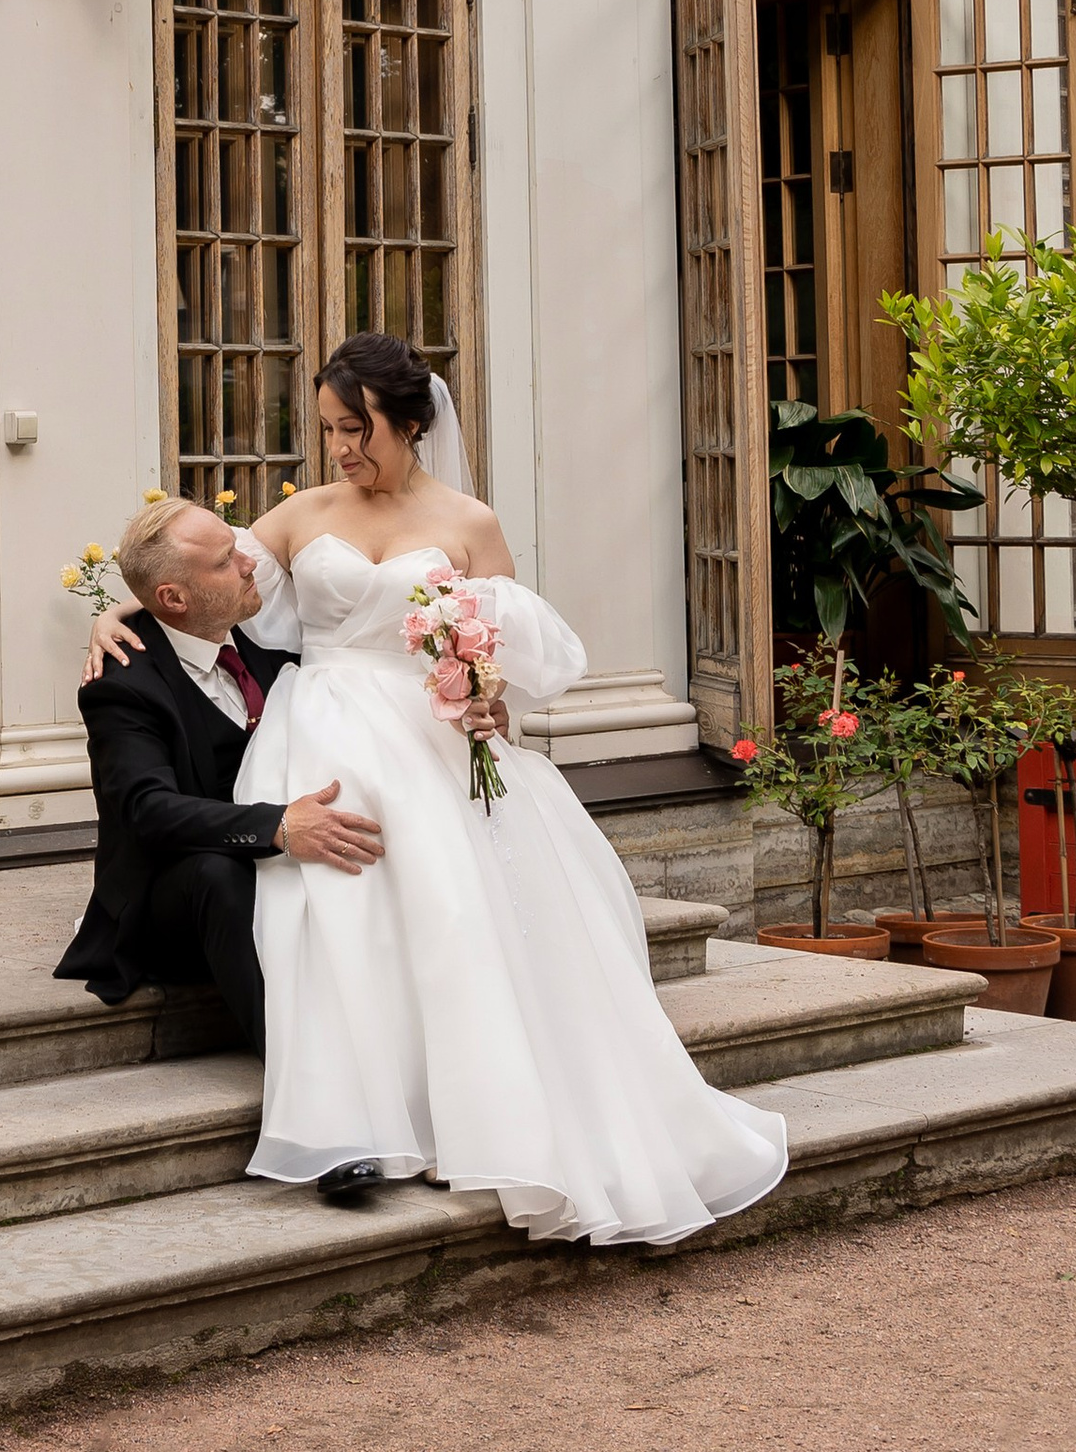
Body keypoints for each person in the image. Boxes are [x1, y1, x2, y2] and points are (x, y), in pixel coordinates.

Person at [83, 333, 788, 1247]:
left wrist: (489, 704)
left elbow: (510, 651)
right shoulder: (302, 517)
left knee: (455, 910)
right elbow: (199, 578)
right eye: (330, 428)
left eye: (355, 428)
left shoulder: (470, 523)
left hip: (430, 735)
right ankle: (358, 1110)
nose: (338, 448)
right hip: (324, 729)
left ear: (410, 422)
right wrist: (111, 609)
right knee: (331, 905)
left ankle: (484, 1105)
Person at [53, 493, 500, 1203]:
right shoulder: (124, 683)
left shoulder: (268, 643)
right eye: (228, 560)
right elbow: (148, 812)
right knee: (216, 874)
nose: (250, 560)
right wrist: (276, 828)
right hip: (176, 898)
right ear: (172, 597)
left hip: (274, 869)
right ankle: (330, 1122)